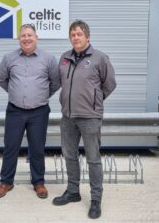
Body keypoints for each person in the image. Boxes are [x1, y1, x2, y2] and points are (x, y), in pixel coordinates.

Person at [52, 20, 116, 219]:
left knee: (93, 159)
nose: (75, 38)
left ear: (87, 36)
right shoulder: (64, 58)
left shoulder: (100, 58)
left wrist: (95, 100)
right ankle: (73, 191)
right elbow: (59, 82)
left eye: (79, 34)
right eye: (72, 35)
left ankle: (96, 198)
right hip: (68, 117)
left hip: (90, 118)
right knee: (69, 155)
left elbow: (110, 84)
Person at [0, 24, 60, 199]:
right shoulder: (9, 58)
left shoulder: (49, 58)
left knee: (37, 148)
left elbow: (56, 82)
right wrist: (16, 92)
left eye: (30, 35)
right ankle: (6, 181)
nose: (26, 38)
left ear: (36, 37)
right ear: (19, 39)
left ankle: (38, 182)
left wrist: (41, 95)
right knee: (10, 146)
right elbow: (1, 79)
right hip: (15, 111)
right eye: (23, 35)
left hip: (39, 112)